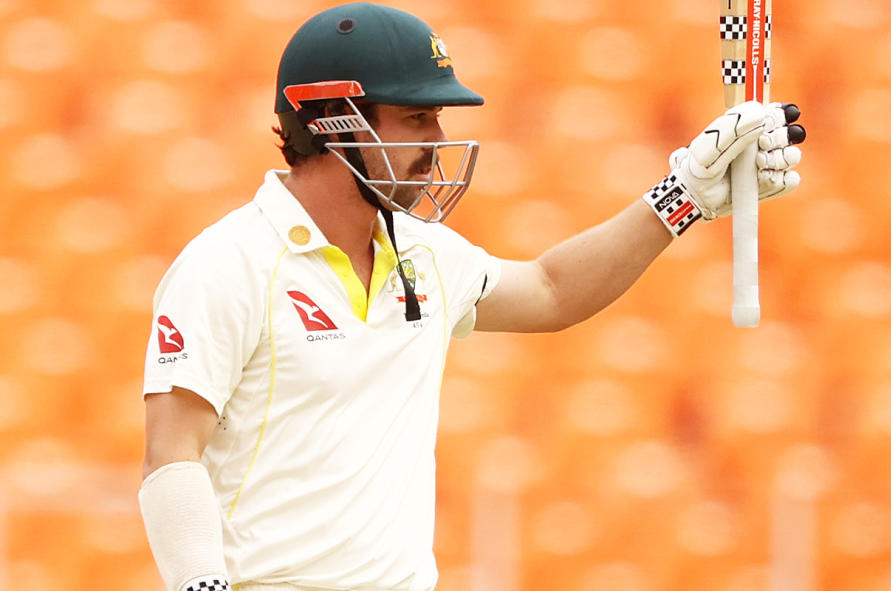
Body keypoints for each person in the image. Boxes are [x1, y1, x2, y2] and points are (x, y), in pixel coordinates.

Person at [138, 3, 806, 591]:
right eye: (416, 116)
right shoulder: (228, 265)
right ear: (338, 121)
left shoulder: (420, 251)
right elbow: (171, 455)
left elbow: (551, 290)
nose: (436, 142)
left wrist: (683, 194)